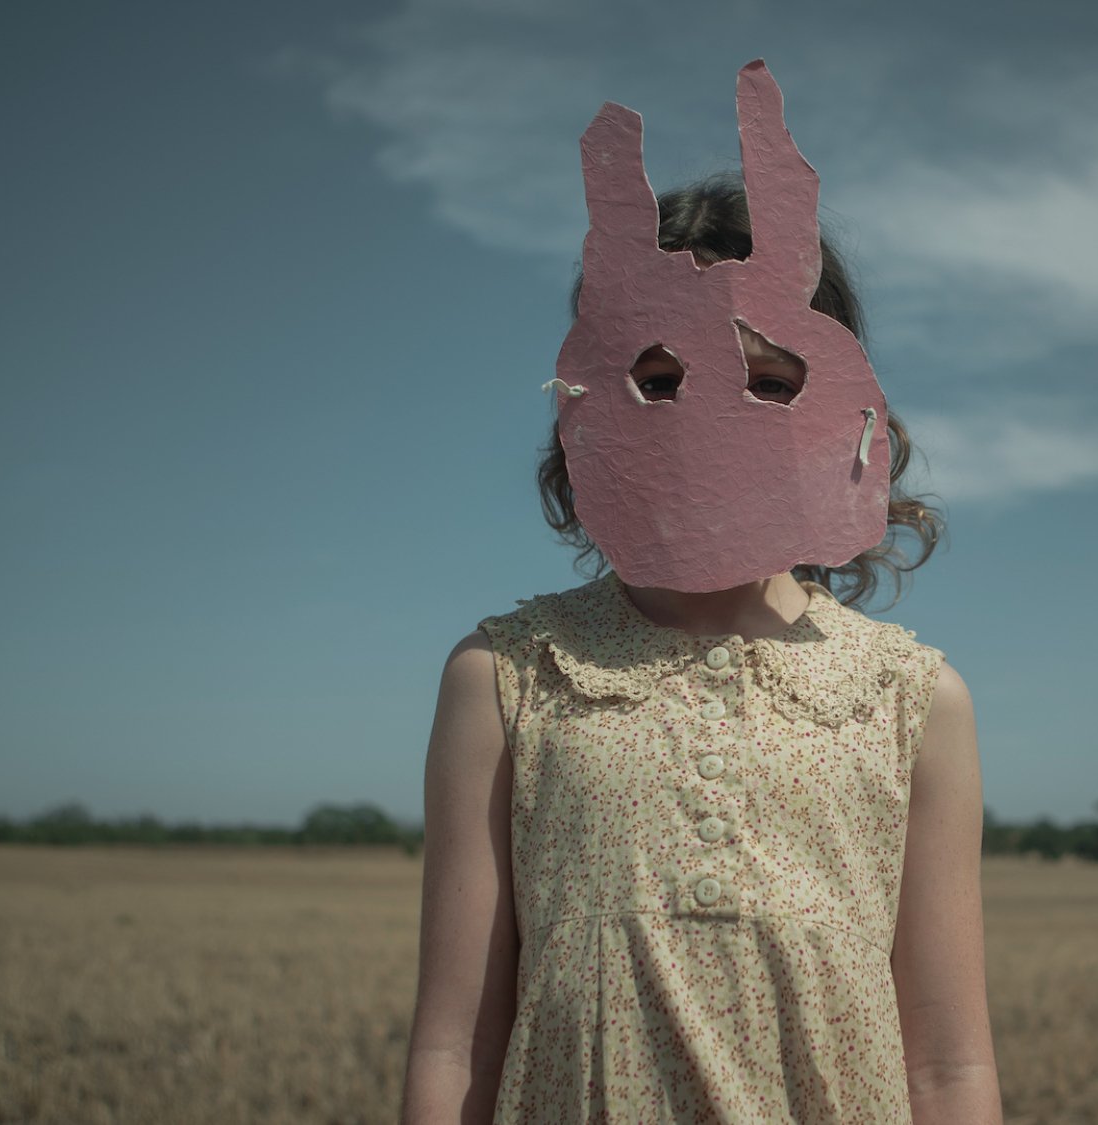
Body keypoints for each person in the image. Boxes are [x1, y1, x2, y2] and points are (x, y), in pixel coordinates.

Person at [402, 62, 1000, 1123]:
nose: (712, 421)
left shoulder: (912, 699)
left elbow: (945, 1067)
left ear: (847, 415)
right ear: (585, 406)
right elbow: (455, 1040)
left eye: (771, 384)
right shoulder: (509, 676)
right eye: (660, 382)